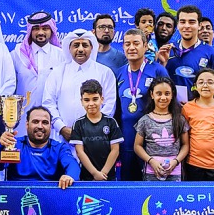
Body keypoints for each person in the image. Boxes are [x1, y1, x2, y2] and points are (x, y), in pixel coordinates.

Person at [114, 28, 169, 180]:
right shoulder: (118, 73)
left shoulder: (158, 70)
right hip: (126, 141)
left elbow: (168, 104)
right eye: (127, 44)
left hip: (153, 141)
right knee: (129, 185)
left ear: (145, 46)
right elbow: (116, 109)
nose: (131, 48)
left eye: (136, 43)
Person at [42, 29, 117, 141]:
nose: (80, 49)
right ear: (69, 48)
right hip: (62, 139)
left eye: (85, 45)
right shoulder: (57, 72)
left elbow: (110, 105)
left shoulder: (105, 72)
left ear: (92, 48)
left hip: (96, 138)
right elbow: (48, 102)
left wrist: (94, 128)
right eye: (76, 45)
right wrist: (61, 128)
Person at [0, 106, 80, 188]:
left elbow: (73, 166)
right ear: (27, 124)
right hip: (16, 196)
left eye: (45, 122)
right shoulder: (14, 144)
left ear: (50, 126)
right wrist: (1, 146)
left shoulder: (59, 148)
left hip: (50, 197)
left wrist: (70, 176)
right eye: (35, 122)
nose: (40, 126)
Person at [156, 5, 214, 104]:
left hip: (199, 114)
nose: (187, 26)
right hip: (170, 112)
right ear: (178, 25)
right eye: (182, 22)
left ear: (199, 25)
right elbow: (156, 85)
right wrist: (163, 64)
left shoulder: (212, 54)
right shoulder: (166, 51)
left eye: (192, 22)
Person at [134, 77, 190, 181]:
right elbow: (137, 146)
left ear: (172, 94)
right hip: (151, 170)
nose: (163, 97)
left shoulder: (179, 119)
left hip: (175, 171)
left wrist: (176, 161)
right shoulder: (145, 120)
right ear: (152, 95)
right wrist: (151, 161)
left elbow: (186, 145)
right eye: (159, 93)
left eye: (167, 93)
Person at [12, 11, 67, 116]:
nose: (40, 32)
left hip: (53, 116)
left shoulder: (62, 56)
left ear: (51, 30)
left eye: (45, 28)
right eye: (36, 28)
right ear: (29, 31)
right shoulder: (17, 55)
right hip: (23, 116)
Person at [70, 80, 122, 181]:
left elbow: (115, 150)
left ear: (101, 99)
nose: (91, 103)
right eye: (87, 100)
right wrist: (95, 173)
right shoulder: (78, 124)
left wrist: (103, 173)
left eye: (95, 99)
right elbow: (80, 152)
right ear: (81, 101)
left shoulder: (111, 122)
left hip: (108, 176)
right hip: (87, 177)